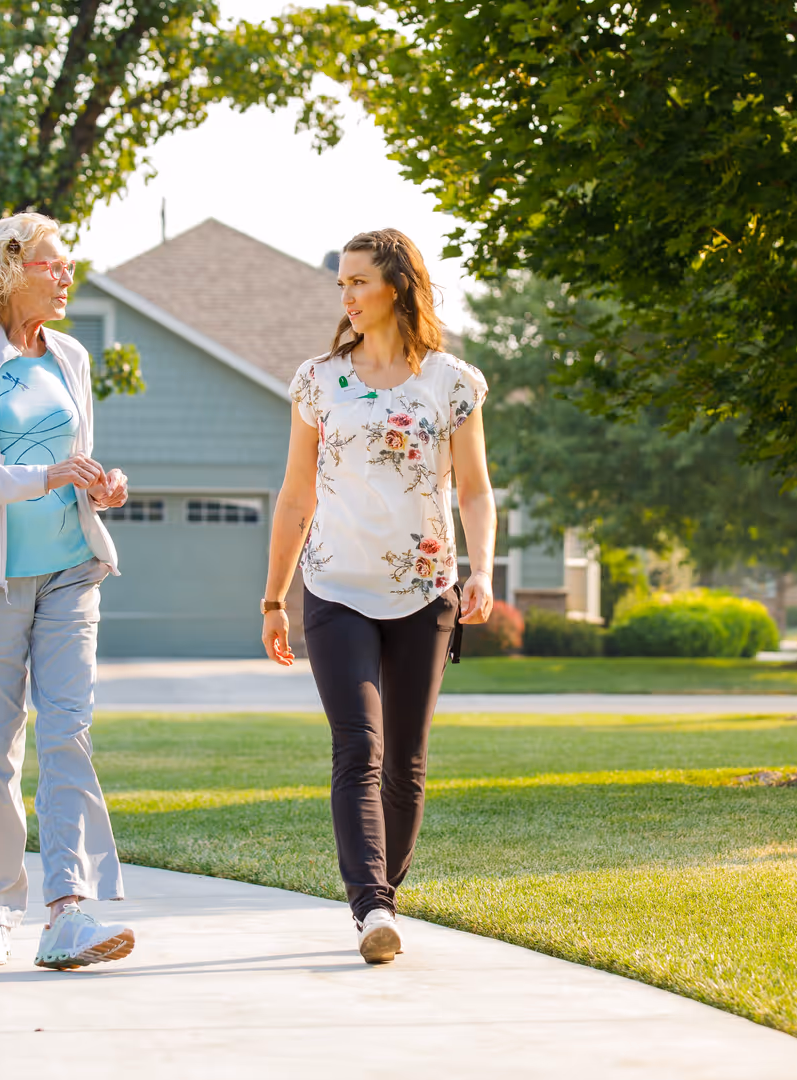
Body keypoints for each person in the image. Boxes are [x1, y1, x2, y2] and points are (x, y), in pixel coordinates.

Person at [261, 228, 496, 964]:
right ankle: (371, 909)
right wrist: (274, 598)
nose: (347, 296)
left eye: (357, 282)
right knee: (357, 744)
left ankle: (380, 900)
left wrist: (480, 569)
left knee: (407, 761)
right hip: (334, 587)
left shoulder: (451, 382)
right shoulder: (318, 381)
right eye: (341, 286)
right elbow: (296, 495)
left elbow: (475, 489)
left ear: (395, 284)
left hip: (426, 592)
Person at [0, 211, 136, 970]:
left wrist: (98, 484)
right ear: (11, 271)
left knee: (69, 732)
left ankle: (67, 913)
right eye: (53, 263)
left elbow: (68, 455)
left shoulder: (70, 356)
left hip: (72, 568)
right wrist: (39, 478)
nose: (65, 274)